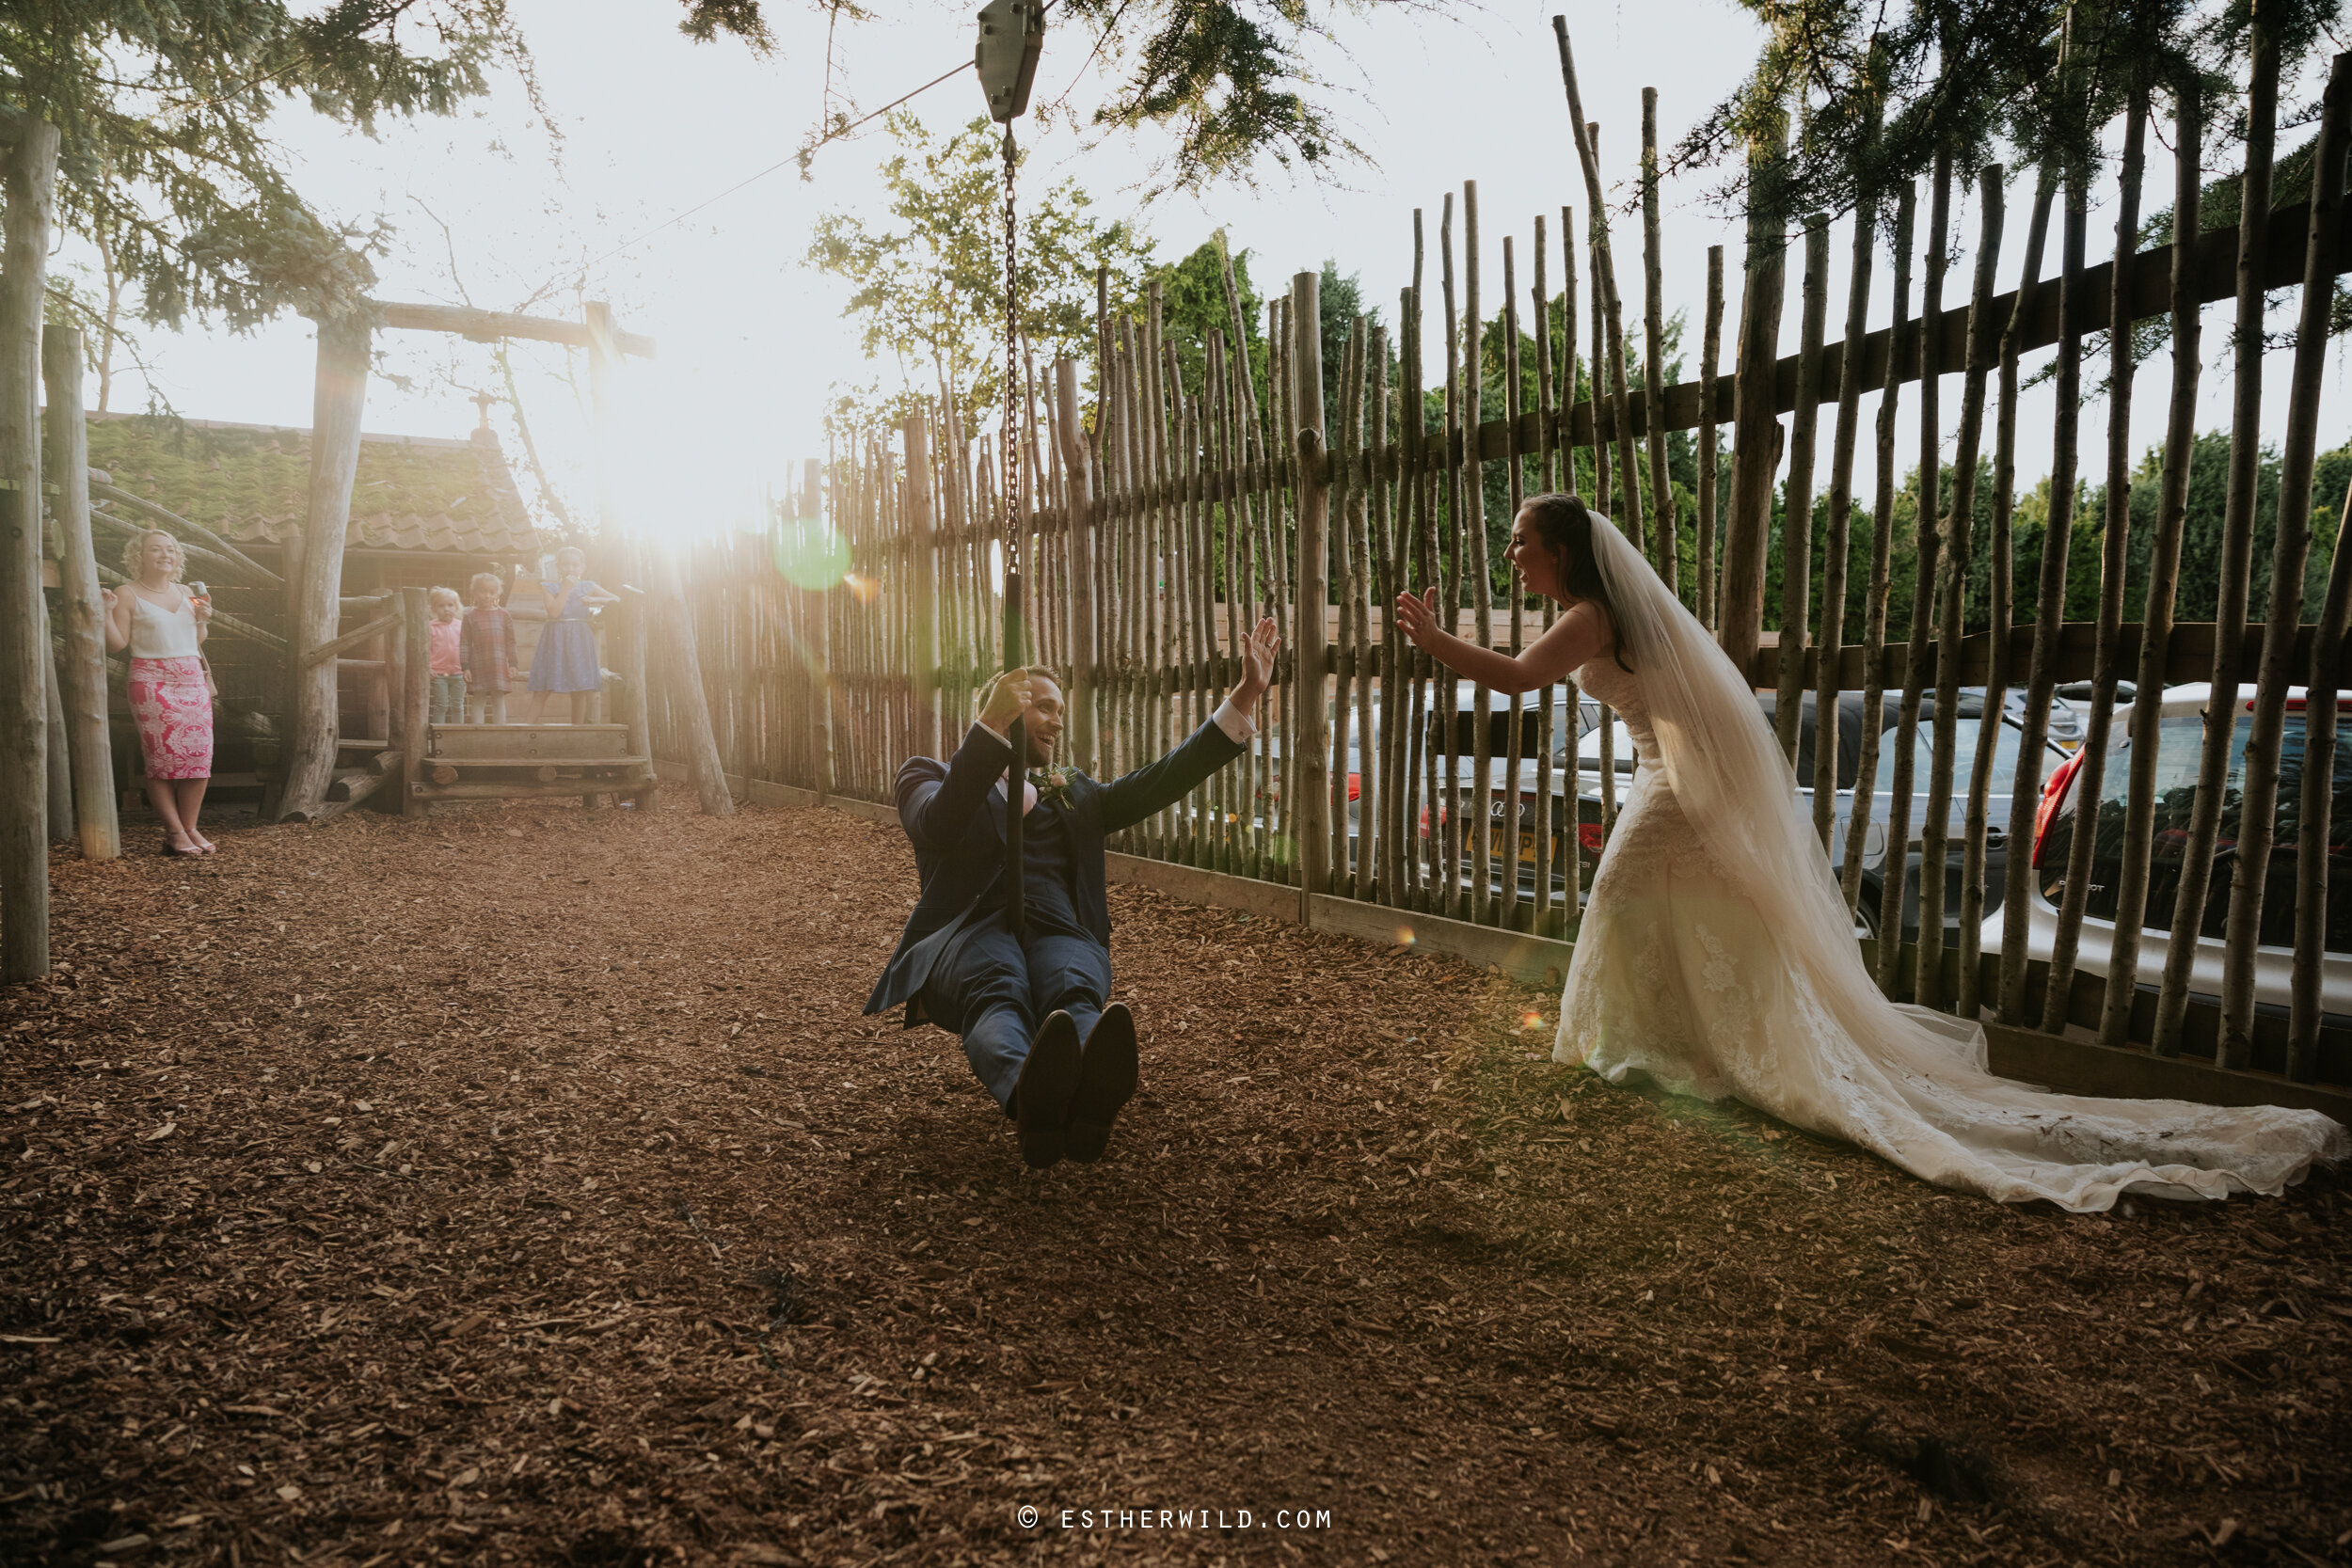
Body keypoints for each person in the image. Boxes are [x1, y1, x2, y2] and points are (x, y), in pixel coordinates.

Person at [1394, 492, 2345, 1212]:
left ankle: (1662, 1048)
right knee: (1648, 907)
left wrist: (1435, 640)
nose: (1511, 552)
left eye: (1520, 538)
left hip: (1676, 790)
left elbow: (1518, 680)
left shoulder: (1590, 614)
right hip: (1669, 780)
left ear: (1561, 548)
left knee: (1619, 900)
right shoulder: (1601, 614)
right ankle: (1663, 1046)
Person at [866, 620, 1282, 1169]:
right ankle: (1029, 1096)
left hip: (1062, 928)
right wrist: (989, 730)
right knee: (998, 986)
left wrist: (1246, 694)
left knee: (1073, 987)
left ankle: (1090, 1097)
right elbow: (938, 826)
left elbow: (1162, 780)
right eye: (1041, 706)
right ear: (1001, 706)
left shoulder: (1075, 791)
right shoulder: (927, 776)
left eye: (1059, 710)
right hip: (967, 935)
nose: (1056, 721)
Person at [101, 529, 215, 856]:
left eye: (170, 550)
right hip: (151, 682)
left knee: (198, 756)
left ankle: (191, 827)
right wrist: (106, 612)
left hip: (192, 680)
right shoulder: (127, 593)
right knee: (162, 758)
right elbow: (117, 643)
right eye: (156, 550)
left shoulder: (186, 591)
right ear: (140, 556)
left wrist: (203, 621)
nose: (165, 555)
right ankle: (174, 832)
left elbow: (195, 640)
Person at [525, 546, 615, 723]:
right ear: (558, 566)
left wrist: (595, 600)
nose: (570, 569)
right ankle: (525, 729)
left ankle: (577, 731)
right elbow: (554, 612)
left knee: (579, 687)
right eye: (566, 564)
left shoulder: (589, 586)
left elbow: (617, 599)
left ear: (582, 567)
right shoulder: (548, 587)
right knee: (543, 687)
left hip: (579, 639)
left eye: (575, 565)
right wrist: (566, 588)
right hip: (554, 639)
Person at [461, 572, 517, 724]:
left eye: (491, 592)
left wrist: (513, 664)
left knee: (498, 698)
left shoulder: (504, 615)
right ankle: (478, 733)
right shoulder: (469, 616)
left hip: (499, 664)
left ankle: (500, 733)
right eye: (483, 591)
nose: (487, 596)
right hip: (478, 664)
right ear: (474, 592)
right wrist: (465, 667)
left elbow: (511, 642)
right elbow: (465, 642)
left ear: (497, 594)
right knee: (478, 698)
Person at [426, 587, 465, 724]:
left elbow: (467, 649)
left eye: (450, 605)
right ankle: (437, 735)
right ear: (434, 608)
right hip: (438, 674)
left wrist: (467, 668)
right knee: (441, 705)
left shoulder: (462, 626)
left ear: (456, 607)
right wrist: (428, 668)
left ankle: (457, 735)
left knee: (457, 706)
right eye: (441, 605)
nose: (446, 609)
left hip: (459, 673)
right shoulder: (430, 627)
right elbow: (426, 651)